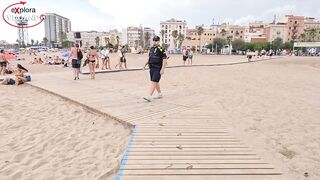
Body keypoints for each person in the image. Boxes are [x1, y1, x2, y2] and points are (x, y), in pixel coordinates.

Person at [143, 36, 167, 102]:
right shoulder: (151, 49)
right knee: (155, 81)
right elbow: (149, 57)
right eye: (154, 40)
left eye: (156, 40)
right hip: (151, 67)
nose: (155, 42)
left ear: (159, 41)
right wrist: (145, 64)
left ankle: (149, 96)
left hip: (158, 68)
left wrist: (162, 69)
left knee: (154, 81)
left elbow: (164, 59)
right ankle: (160, 94)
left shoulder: (161, 49)